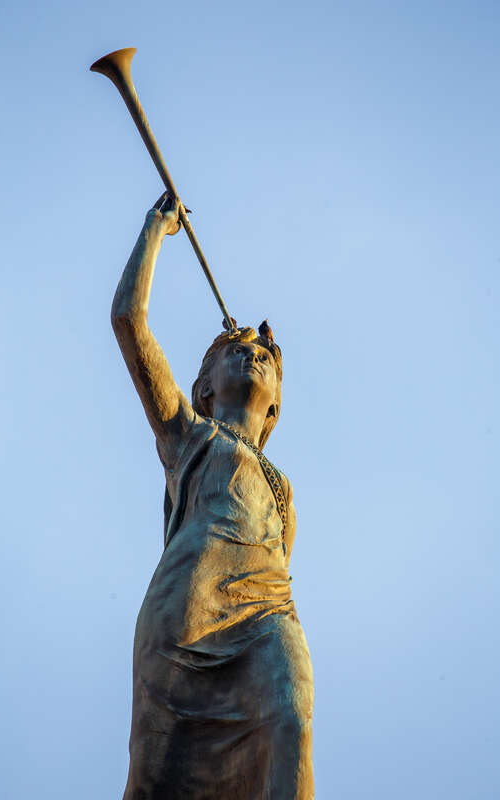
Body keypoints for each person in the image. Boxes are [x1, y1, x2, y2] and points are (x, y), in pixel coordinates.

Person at [111, 194, 314, 799]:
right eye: (234, 351)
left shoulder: (285, 489)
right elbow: (129, 321)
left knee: (292, 716)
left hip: (267, 614)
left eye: (263, 357)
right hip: (186, 619)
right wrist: (155, 230)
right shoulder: (186, 433)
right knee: (159, 778)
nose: (251, 354)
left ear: (274, 404)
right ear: (203, 388)